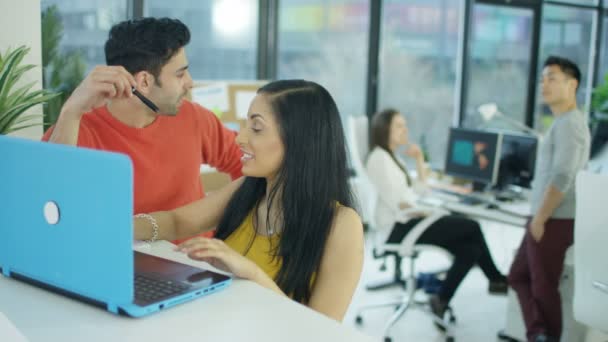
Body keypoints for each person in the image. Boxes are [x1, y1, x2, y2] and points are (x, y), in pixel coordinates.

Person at [133, 80, 364, 321]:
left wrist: (251, 273)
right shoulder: (250, 189)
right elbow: (177, 221)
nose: (239, 138)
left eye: (256, 128)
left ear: (300, 140)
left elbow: (321, 333)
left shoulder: (342, 224)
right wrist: (116, 228)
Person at [42, 17, 242, 224]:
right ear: (144, 81)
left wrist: (236, 226)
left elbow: (250, 164)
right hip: (118, 254)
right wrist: (70, 110)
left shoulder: (195, 118)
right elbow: (47, 200)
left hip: (191, 256)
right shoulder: (76, 128)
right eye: (180, 74)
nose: (190, 83)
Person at [365, 108, 508, 325]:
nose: (406, 130)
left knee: (470, 250)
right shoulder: (379, 159)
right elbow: (400, 203)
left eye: (405, 125)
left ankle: (440, 300)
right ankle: (497, 279)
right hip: (398, 228)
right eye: (399, 126)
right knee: (471, 226)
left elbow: (421, 190)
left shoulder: (393, 158)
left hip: (409, 221)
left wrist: (420, 158)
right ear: (384, 129)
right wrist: (432, 212)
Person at [508, 56, 590, 342]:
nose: (544, 84)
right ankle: (538, 333)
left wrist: (540, 217)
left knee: (544, 286)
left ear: (572, 84)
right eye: (542, 78)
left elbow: (563, 176)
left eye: (552, 78)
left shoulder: (570, 124)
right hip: (545, 216)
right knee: (519, 275)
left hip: (554, 218)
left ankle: (544, 336)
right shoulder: (561, 123)